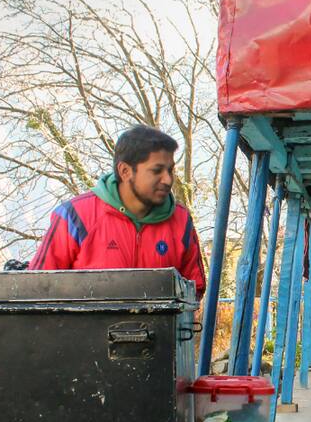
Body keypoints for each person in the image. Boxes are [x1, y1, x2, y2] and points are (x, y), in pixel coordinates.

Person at [30, 125, 206, 297]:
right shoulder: (74, 216)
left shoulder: (181, 221)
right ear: (125, 171)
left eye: (170, 170)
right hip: (83, 327)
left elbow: (195, 289)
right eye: (157, 170)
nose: (168, 180)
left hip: (158, 328)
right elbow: (35, 287)